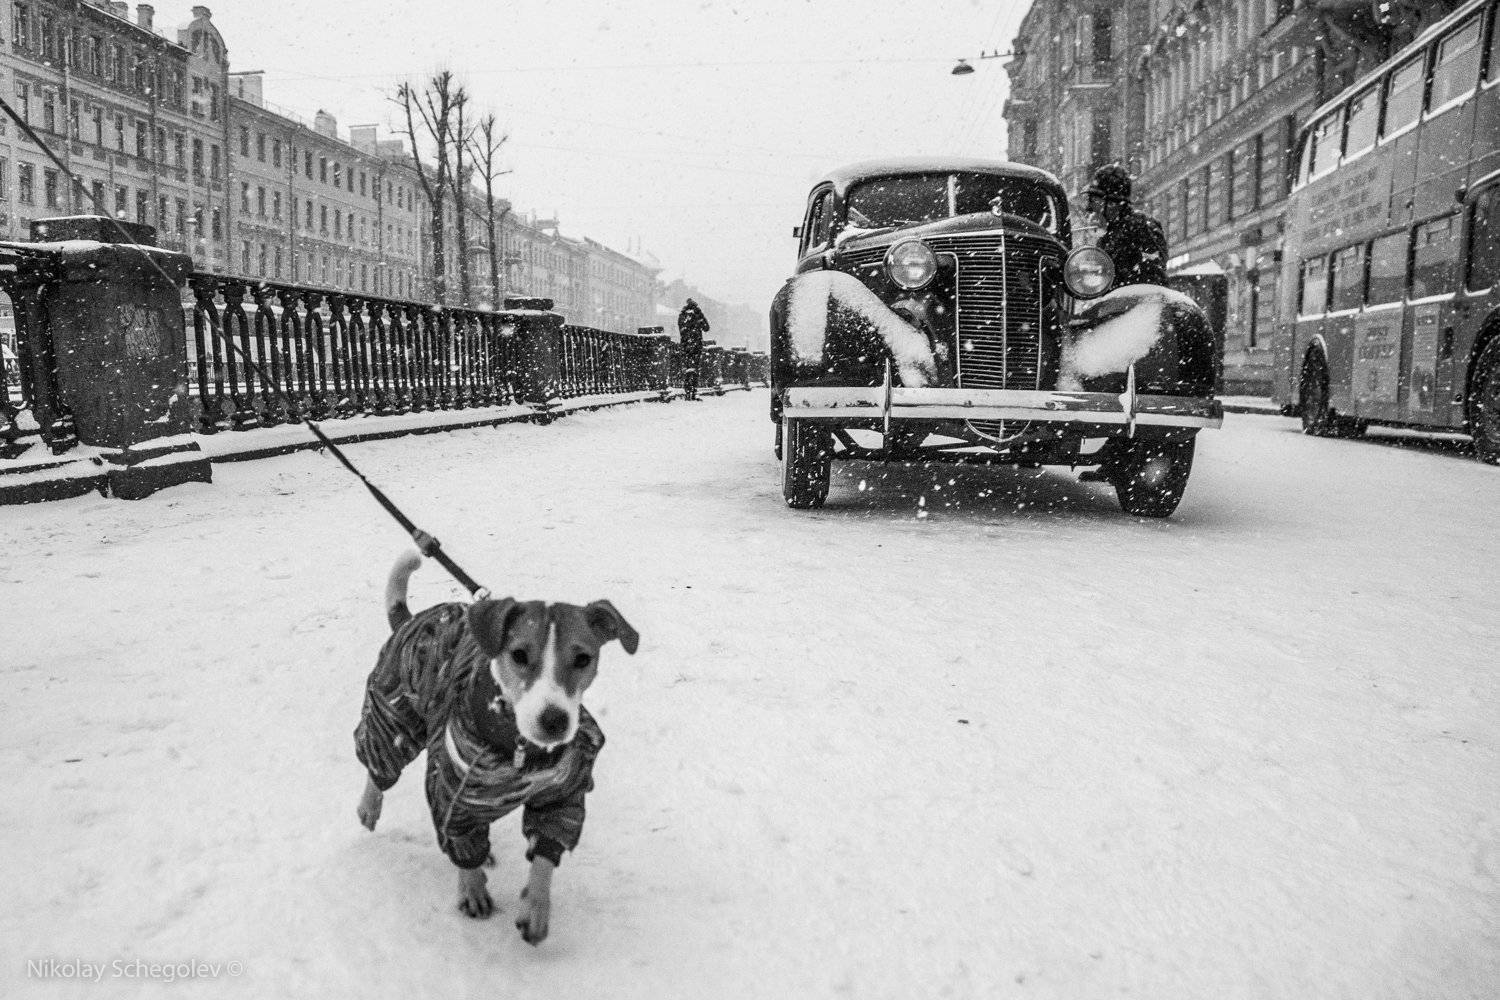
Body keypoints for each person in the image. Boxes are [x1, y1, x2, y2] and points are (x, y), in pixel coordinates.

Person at [1083, 164, 1169, 289]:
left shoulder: (1140, 225)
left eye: (1095, 201)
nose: (1089, 207)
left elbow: (1154, 275)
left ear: (1112, 203)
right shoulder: (1107, 235)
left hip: (1137, 299)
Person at [677, 298, 709, 401]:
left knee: (687, 368)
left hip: (686, 345)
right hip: (696, 345)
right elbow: (706, 328)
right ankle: (694, 392)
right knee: (695, 368)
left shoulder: (682, 315)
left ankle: (688, 393)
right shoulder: (697, 315)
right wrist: (700, 316)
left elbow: (682, 330)